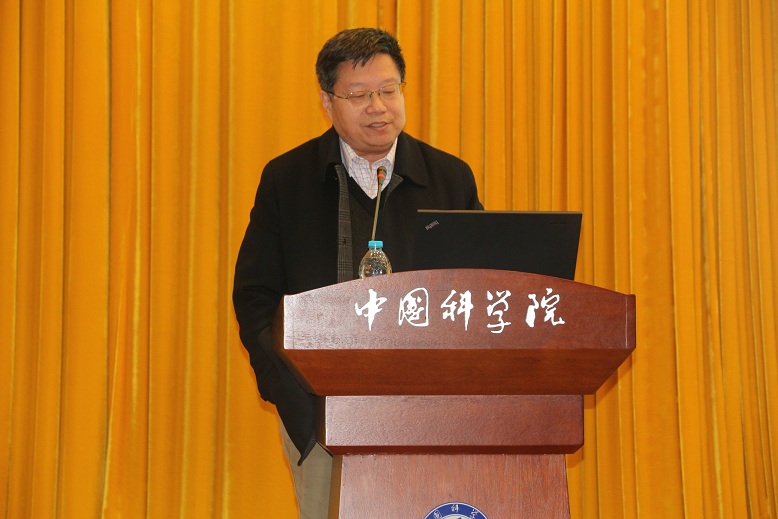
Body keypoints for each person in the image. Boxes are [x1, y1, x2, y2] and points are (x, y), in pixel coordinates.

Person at [232, 27, 482, 518]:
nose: (378, 107)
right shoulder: (287, 179)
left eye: (389, 90)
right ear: (327, 102)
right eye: (359, 95)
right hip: (319, 416)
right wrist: (288, 390)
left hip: (430, 416)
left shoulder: (450, 178)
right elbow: (255, 295)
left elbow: (478, 290)